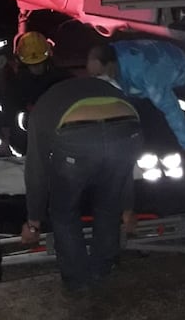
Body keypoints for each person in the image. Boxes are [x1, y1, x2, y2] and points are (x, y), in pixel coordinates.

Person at [20, 76, 142, 293]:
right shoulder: (97, 87)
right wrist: (127, 208)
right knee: (108, 205)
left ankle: (78, 279)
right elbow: (125, 169)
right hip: (127, 125)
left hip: (78, 135)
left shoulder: (42, 108)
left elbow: (36, 169)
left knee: (64, 211)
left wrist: (33, 221)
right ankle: (102, 270)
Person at [86, 40, 185, 177]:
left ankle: (174, 162)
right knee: (141, 118)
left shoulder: (147, 72)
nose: (97, 79)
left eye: (98, 74)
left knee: (169, 120)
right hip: (138, 80)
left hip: (176, 74)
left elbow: (172, 110)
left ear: (110, 65)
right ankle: (148, 161)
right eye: (93, 76)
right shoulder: (112, 60)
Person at [5, 31, 72, 154]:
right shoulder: (15, 84)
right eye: (32, 64)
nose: (37, 67)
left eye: (40, 63)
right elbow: (10, 111)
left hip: (56, 145)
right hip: (24, 148)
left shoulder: (62, 79)